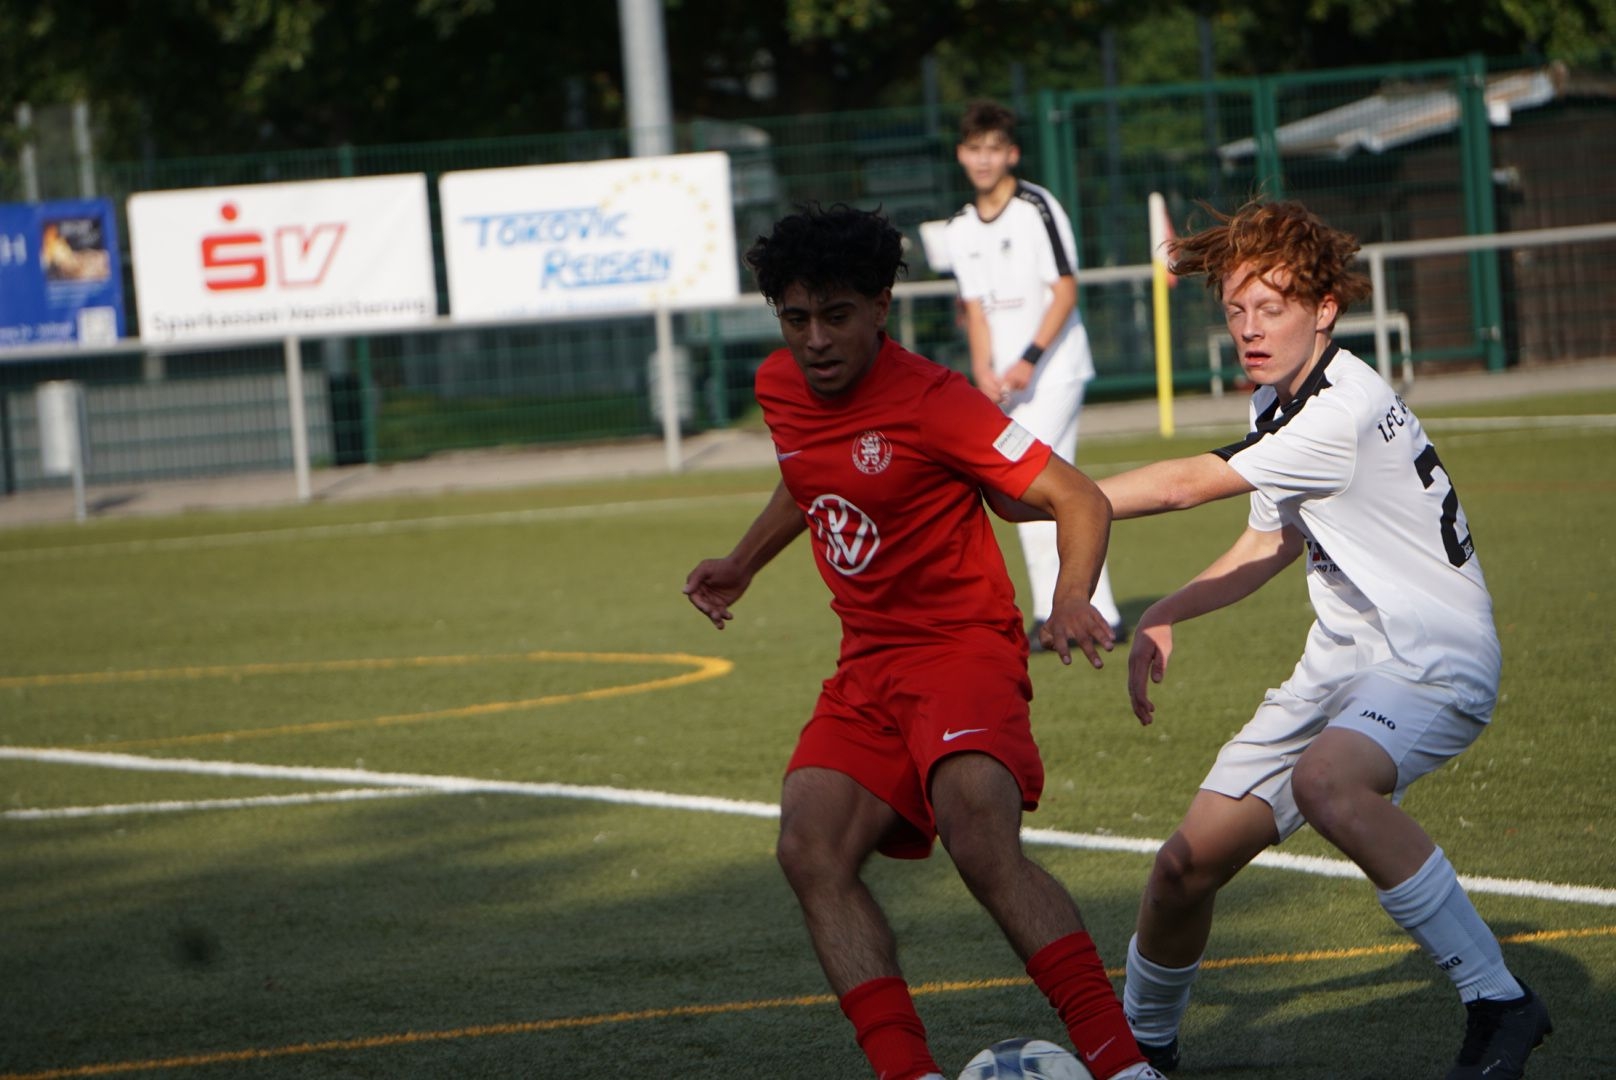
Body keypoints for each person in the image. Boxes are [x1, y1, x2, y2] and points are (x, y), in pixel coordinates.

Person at [683, 204, 1166, 1080]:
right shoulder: (779, 385)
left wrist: (1068, 600)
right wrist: (743, 562)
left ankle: (1120, 1061)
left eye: (837, 316)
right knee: (809, 847)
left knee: (979, 840)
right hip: (867, 664)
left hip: (960, 651)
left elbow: (1078, 496)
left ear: (882, 307)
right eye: (797, 318)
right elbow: (805, 476)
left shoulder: (938, 402)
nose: (815, 340)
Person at [1091, 199, 1550, 1078]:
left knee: (1327, 782)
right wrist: (1166, 610)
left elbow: (1186, 485)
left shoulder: (1339, 408)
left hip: (1430, 654)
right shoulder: (1280, 399)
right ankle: (1138, 1049)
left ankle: (1500, 1002)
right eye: (1237, 309)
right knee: (1185, 867)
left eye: (1272, 307)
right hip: (1341, 665)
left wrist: (1046, 493)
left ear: (1325, 308)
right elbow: (1271, 540)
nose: (1250, 329)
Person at [942, 99, 1125, 648]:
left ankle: (1082, 612)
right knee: (1026, 489)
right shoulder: (960, 227)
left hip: (1054, 372)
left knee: (1035, 485)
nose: (984, 159)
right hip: (1007, 385)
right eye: (975, 149)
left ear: (1012, 154)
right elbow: (975, 310)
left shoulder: (1036, 207)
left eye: (993, 149)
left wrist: (1029, 358)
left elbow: (1065, 290)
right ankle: (1069, 612)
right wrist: (982, 370)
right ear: (961, 154)